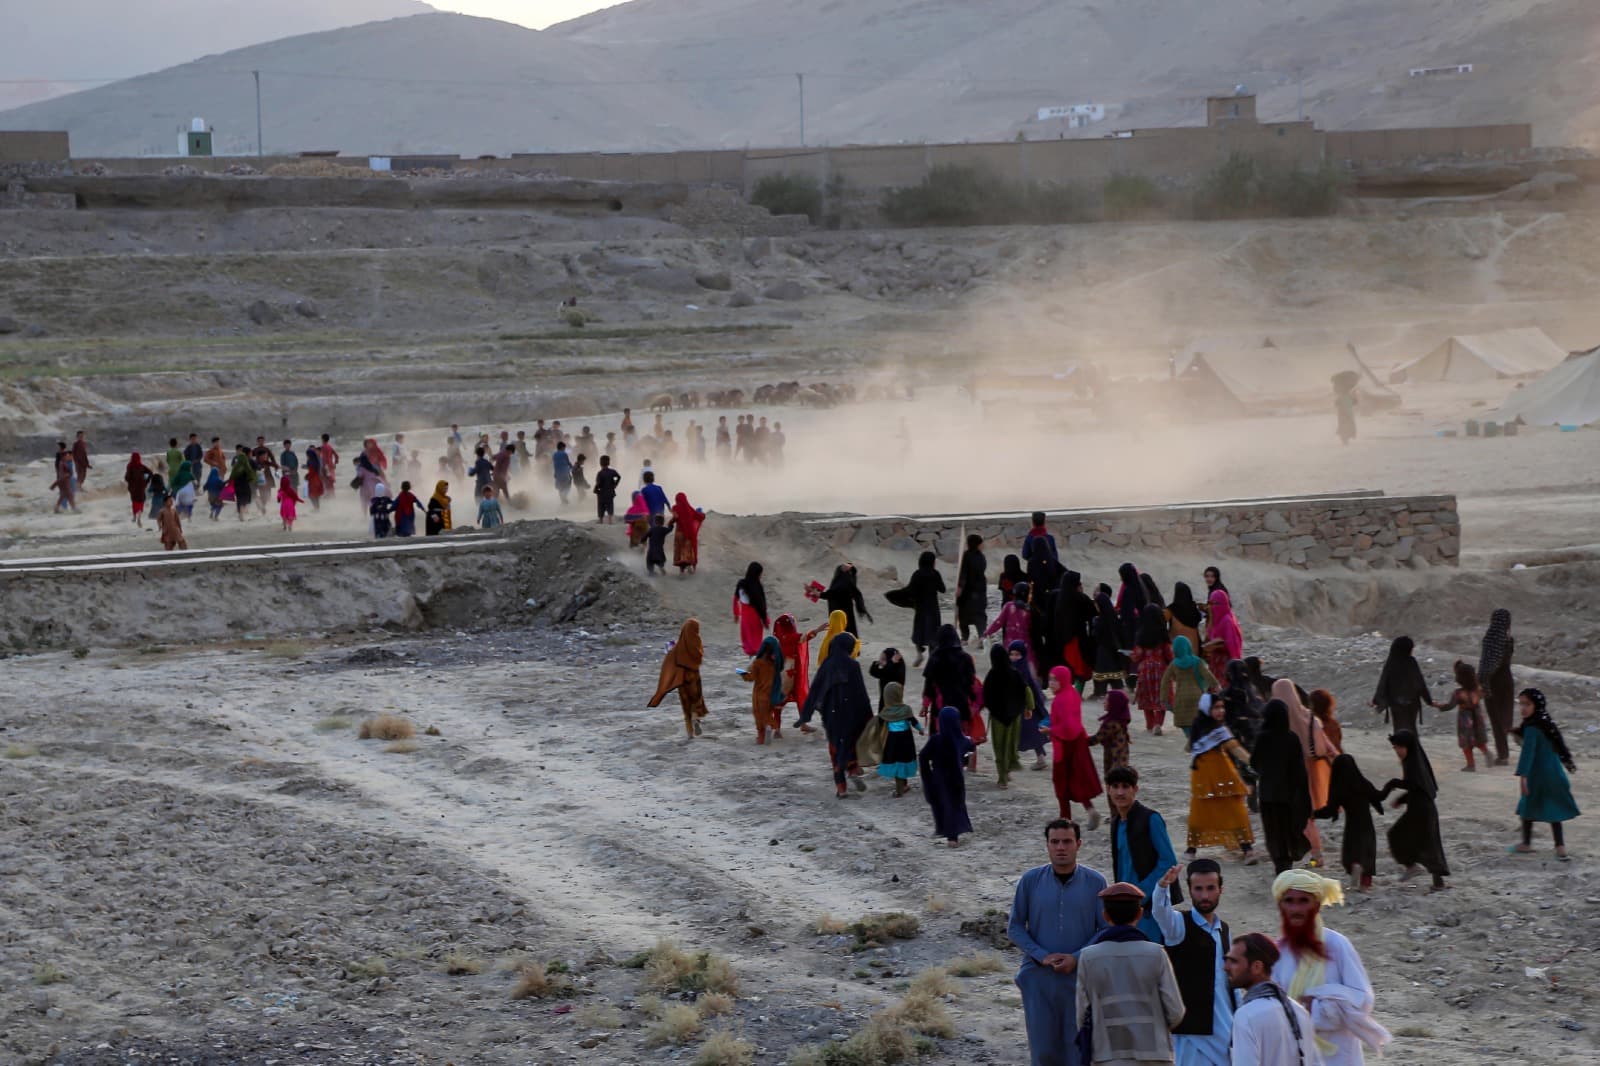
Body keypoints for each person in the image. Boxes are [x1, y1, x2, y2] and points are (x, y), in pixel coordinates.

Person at [1011, 819, 1110, 1066]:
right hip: (1038, 978)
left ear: (1078, 844)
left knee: (1078, 1051)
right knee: (1043, 1051)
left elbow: (1106, 930)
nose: (1060, 847)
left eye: (1067, 841)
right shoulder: (1031, 880)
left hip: (1080, 979)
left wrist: (1076, 956)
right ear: (1047, 845)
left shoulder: (1096, 882)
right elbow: (1014, 927)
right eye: (1054, 842)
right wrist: (1041, 955)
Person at [1270, 870, 1388, 1064]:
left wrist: (1315, 1006)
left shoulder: (1337, 945)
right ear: (1280, 906)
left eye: (1303, 901)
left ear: (1316, 906)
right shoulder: (1278, 952)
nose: (1296, 909)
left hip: (1337, 1056)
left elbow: (1364, 999)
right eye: (1289, 901)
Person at [1075, 882, 1185, 1066]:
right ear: (1140, 914)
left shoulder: (1088, 957)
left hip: (1108, 1055)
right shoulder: (1156, 954)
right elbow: (1175, 1011)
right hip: (1155, 1055)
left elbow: (1081, 1014)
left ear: (1105, 916)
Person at [1153, 860, 1235, 1066]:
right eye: (1198, 889)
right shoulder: (1179, 924)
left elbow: (1230, 980)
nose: (1205, 896)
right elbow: (1160, 913)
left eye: (1210, 888)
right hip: (1190, 1032)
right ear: (1190, 890)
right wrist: (1163, 887)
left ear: (1220, 890)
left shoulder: (1224, 930)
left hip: (1223, 1024)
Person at [1106, 765, 1179, 943]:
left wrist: (1140, 893)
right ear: (1109, 790)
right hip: (1126, 908)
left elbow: (1168, 861)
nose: (1120, 792)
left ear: (1135, 789)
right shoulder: (1116, 822)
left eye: (1125, 786)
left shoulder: (1150, 819)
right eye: (1115, 787)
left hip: (1149, 908)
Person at [798, 630, 875, 798]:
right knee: (851, 742)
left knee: (836, 747)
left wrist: (805, 715)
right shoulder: (853, 666)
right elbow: (860, 692)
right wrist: (869, 716)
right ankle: (853, 770)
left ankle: (841, 788)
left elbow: (815, 691)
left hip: (831, 715)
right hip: (852, 714)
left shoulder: (826, 665)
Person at [1224, 933, 1320, 1066]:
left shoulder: (1247, 1016)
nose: (1226, 967)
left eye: (1234, 961)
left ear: (1257, 967)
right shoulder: (1299, 1012)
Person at [1185, 701, 1257, 865]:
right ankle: (1191, 848)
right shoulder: (1200, 727)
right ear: (1206, 709)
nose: (1220, 711)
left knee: (1235, 811)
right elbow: (1189, 748)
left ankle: (1247, 848)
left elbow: (1236, 750)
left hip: (1224, 776)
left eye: (1222, 707)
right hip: (1203, 778)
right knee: (1200, 813)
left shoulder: (1220, 730)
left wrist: (1253, 762)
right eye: (1215, 707)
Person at [1510, 687, 1579, 859]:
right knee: (1554, 809)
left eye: (1527, 704)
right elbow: (1556, 746)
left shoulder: (1532, 728)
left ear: (1536, 705)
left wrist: (1523, 776)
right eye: (1521, 704)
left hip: (1536, 775)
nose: (1523, 708)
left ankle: (1526, 843)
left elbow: (1528, 753)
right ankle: (1560, 847)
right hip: (1555, 773)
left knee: (1527, 807)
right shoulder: (1546, 723)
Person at [1377, 730, 1449, 890]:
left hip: (1422, 810)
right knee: (1428, 843)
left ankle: (1412, 866)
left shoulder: (1415, 763)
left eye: (1398, 747)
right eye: (1394, 748)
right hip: (1420, 807)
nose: (1397, 751)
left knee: (1397, 834)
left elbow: (1415, 785)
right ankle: (1437, 883)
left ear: (1407, 746)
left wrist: (1393, 784)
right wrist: (1401, 799)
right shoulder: (1412, 760)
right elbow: (1417, 787)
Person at [1278, 680, 1335, 867]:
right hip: (1311, 770)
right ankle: (1316, 856)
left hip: (1289, 773)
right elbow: (1326, 746)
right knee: (1308, 816)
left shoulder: (1277, 720)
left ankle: (1293, 854)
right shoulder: (1309, 718)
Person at [1251, 700, 1313, 873]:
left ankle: (1279, 862)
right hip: (1289, 795)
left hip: (1268, 794)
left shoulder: (1262, 737)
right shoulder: (1291, 738)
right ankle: (1288, 859)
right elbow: (1300, 769)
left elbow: (1254, 763)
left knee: (1273, 830)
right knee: (1288, 828)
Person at [1314, 755, 1384, 892]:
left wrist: (1313, 814)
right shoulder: (1363, 782)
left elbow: (1329, 810)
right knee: (1368, 854)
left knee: (1351, 853)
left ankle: (1355, 865)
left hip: (1352, 826)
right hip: (1367, 825)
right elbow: (1378, 796)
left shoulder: (1339, 788)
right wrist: (1390, 786)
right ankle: (1365, 885)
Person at [920, 706, 974, 847]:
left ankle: (947, 833)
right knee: (955, 805)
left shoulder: (936, 740)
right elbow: (970, 751)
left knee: (944, 805)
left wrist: (927, 774)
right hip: (956, 779)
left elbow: (923, 756)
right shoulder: (962, 740)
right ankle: (953, 837)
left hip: (939, 779)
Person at [649, 618, 708, 739]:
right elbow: (700, 656)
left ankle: (689, 731)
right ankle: (696, 718)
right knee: (697, 700)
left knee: (686, 703)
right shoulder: (696, 642)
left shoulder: (677, 648)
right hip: (694, 677)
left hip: (681, 680)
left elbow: (669, 663)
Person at [891, 551, 946, 666]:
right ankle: (932, 658)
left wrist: (897, 594)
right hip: (933, 608)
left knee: (919, 631)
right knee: (933, 632)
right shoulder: (935, 574)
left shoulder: (917, 574)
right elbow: (942, 589)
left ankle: (919, 654)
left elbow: (910, 590)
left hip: (921, 607)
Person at [1432, 661, 1490, 771]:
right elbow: (1484, 695)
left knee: (1466, 744)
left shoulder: (1458, 693)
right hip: (1477, 718)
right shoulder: (1478, 690)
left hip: (1465, 721)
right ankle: (1486, 752)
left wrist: (1437, 705)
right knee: (1479, 740)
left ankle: (1471, 765)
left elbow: (1449, 706)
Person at [1370, 637, 1432, 735]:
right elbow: (1420, 683)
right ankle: (1413, 749)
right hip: (1412, 704)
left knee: (1400, 730)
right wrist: (1429, 700)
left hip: (1396, 705)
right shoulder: (1411, 662)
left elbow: (1383, 682)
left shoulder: (1391, 663)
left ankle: (1408, 749)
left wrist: (1376, 700)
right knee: (1411, 730)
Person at [984, 644, 1026, 789]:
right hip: (1014, 718)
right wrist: (1022, 709)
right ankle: (1007, 771)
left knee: (999, 747)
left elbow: (986, 696)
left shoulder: (992, 674)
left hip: (998, 718)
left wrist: (992, 709)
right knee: (1010, 745)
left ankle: (1002, 778)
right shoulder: (1014, 673)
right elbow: (1023, 692)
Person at [1478, 609, 1515, 765]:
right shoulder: (1508, 639)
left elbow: (1487, 664)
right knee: (1506, 718)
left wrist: (1481, 682)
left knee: (1496, 720)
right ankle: (1511, 745)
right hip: (1507, 681)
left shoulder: (1490, 639)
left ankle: (1503, 755)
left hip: (1493, 683)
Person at [1132, 605, 1174, 734]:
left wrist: (1132, 656)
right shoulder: (1163, 634)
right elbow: (1169, 654)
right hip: (1161, 670)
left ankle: (1149, 725)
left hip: (1145, 670)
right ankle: (1158, 724)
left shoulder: (1141, 634)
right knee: (1162, 698)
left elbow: (1137, 655)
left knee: (1146, 699)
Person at [1161, 637, 1217, 734]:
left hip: (1181, 697)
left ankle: (1190, 739)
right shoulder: (1197, 661)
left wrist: (1163, 698)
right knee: (1197, 722)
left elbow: (1165, 681)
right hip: (1197, 696)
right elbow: (1208, 675)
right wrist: (1216, 686)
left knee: (1186, 724)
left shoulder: (1174, 664)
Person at [875, 681, 922, 796]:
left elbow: (878, 725)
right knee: (904, 761)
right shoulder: (906, 709)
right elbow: (913, 721)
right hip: (906, 740)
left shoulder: (885, 712)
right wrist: (920, 729)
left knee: (896, 762)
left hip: (892, 740)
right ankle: (902, 786)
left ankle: (900, 787)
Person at [1012, 639, 1051, 771]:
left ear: (1023, 655)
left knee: (1033, 734)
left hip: (1028, 710)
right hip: (1016, 709)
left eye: (1017, 655)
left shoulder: (1024, 671)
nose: (1014, 658)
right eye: (1011, 654)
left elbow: (1033, 691)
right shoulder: (1012, 669)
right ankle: (1013, 759)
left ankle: (1040, 759)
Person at [741, 636, 784, 744]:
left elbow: (751, 678)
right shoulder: (774, 665)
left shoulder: (758, 663)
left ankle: (762, 736)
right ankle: (769, 727)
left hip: (759, 695)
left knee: (759, 715)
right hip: (771, 695)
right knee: (767, 714)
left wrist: (742, 673)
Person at [985, 581, 1035, 670]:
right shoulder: (1030, 609)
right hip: (1025, 646)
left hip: (1010, 645)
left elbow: (998, 622)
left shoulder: (1009, 606)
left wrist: (987, 632)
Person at [1201, 590, 1243, 683]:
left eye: (1216, 603)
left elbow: (1231, 644)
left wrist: (1216, 644)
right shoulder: (1215, 620)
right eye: (1211, 603)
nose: (1212, 607)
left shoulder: (1227, 620)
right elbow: (1209, 635)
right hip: (1215, 663)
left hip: (1225, 664)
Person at [773, 613, 812, 711]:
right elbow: (806, 637)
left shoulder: (780, 640)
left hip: (783, 672)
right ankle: (803, 723)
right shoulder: (791, 637)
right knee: (798, 695)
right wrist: (817, 630)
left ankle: (776, 725)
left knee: (781, 697)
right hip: (793, 671)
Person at [1088, 690, 1131, 778]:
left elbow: (1095, 740)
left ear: (1114, 704)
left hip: (1115, 762)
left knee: (1113, 785)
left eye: (1107, 700)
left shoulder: (1112, 723)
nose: (1104, 702)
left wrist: (1076, 738)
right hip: (1120, 759)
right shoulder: (1119, 719)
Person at [822, 563, 872, 636]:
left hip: (840, 616)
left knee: (842, 636)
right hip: (844, 615)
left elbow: (831, 594)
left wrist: (817, 593)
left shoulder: (844, 581)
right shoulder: (846, 580)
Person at [956, 534, 988, 644]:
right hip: (977, 591)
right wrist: (961, 586)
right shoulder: (980, 557)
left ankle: (965, 638)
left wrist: (960, 587)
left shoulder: (968, 556)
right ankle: (981, 637)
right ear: (977, 544)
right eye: (981, 543)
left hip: (969, 591)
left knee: (964, 616)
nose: (983, 545)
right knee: (979, 616)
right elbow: (964, 573)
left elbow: (963, 573)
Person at [733, 562, 769, 655]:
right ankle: (755, 659)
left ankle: (751, 658)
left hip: (745, 617)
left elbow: (735, 599)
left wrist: (736, 613)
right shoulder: (757, 587)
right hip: (755, 618)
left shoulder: (741, 584)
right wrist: (765, 620)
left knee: (747, 639)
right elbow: (761, 605)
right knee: (756, 640)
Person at [1021, 511, 1061, 592]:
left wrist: (1033, 560)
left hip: (1034, 571)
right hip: (1049, 571)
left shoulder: (1029, 538)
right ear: (1044, 522)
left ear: (1033, 522)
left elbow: (1025, 554)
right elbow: (1055, 556)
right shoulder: (1050, 538)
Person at [670, 492, 705, 574]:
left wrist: (670, 523)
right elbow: (699, 516)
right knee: (688, 552)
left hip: (679, 534)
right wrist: (703, 515)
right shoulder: (689, 508)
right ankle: (691, 569)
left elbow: (675, 517)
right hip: (689, 534)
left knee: (680, 552)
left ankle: (681, 572)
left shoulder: (675, 507)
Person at [1166, 582, 1204, 652]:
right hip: (1194, 649)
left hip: (1177, 650)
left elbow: (1160, 623)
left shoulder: (1171, 610)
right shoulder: (1194, 609)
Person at [869, 647, 905, 711]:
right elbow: (874, 673)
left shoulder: (896, 669)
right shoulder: (888, 668)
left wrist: (890, 662)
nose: (881, 661)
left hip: (893, 703)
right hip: (883, 701)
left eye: (884, 659)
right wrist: (876, 663)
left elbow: (888, 673)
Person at [124, 452, 152, 526]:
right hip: (141, 487)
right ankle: (139, 517)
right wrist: (146, 481)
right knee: (141, 502)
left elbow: (127, 477)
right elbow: (150, 473)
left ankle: (134, 517)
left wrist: (129, 481)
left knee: (134, 502)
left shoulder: (129, 466)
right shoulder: (142, 466)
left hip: (133, 488)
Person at [593, 454, 622, 523]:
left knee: (601, 506)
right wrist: (615, 484)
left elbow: (598, 483)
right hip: (610, 492)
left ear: (600, 463)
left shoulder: (600, 473)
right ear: (608, 463)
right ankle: (610, 520)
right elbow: (619, 477)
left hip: (602, 493)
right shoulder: (612, 471)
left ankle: (600, 520)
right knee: (610, 505)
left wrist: (595, 489)